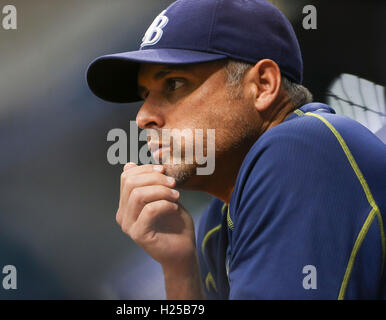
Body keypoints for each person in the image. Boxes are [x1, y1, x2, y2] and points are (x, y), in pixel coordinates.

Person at [86, 0, 386, 299]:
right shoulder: (215, 227)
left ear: (263, 85)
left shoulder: (299, 149)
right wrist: (179, 269)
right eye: (145, 95)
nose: (143, 117)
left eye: (174, 84)